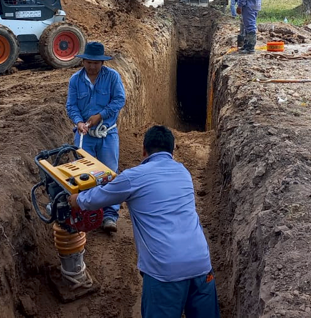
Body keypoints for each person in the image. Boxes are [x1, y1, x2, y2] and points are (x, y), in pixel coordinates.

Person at [71, 125, 220, 318]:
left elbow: (95, 199)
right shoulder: (183, 172)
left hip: (164, 271)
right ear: (172, 150)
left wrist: (76, 200)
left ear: (144, 150)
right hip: (201, 265)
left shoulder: (133, 177)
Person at [65, 41, 126, 232]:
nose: (92, 66)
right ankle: (87, 214)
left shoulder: (112, 77)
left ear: (102, 63)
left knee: (109, 174)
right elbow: (71, 106)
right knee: (83, 175)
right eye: (89, 62)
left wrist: (101, 116)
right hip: (85, 135)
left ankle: (109, 216)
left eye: (96, 63)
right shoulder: (75, 80)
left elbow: (119, 100)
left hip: (107, 133)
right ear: (83, 61)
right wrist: (79, 122)